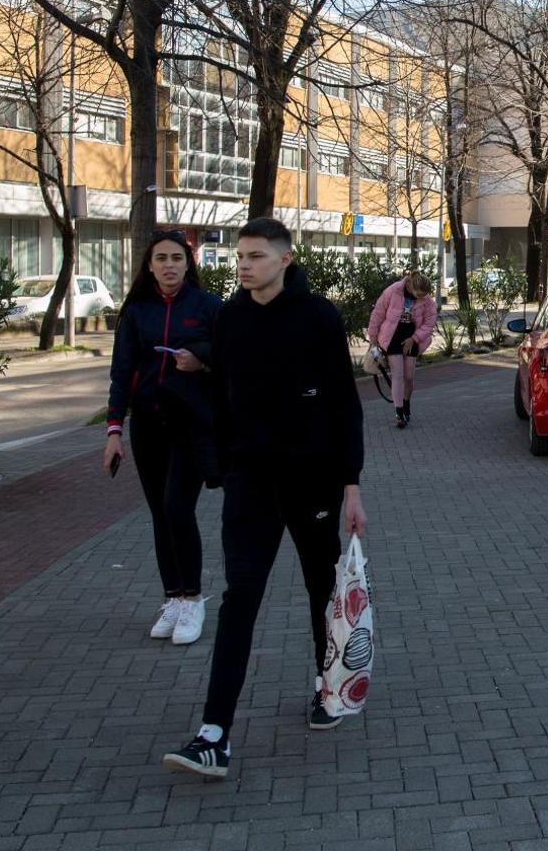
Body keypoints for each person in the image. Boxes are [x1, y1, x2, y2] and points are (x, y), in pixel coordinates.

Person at [163, 217, 367, 780]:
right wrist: (223, 465)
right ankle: (214, 735)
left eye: (255, 255)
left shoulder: (319, 317)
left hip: (312, 482)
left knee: (320, 591)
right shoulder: (231, 318)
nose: (244, 264)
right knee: (239, 600)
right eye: (240, 256)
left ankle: (328, 691)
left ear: (284, 258)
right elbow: (223, 395)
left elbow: (345, 406)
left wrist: (351, 484)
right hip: (249, 483)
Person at [104, 230, 222, 646]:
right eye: (161, 258)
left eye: (177, 257)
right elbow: (121, 373)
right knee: (159, 513)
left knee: (177, 506)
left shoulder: (208, 307)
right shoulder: (137, 311)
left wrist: (201, 360)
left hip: (190, 426)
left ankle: (193, 599)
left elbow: (231, 360)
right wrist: (114, 430)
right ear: (149, 265)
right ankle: (172, 597)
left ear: (189, 263)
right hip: (148, 427)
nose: (169, 265)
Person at [367, 271, 437, 429]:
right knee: (397, 375)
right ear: (411, 286)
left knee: (409, 377)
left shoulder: (427, 301)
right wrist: (373, 339)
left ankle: (406, 403)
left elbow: (429, 323)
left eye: (425, 294)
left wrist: (414, 339)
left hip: (412, 339)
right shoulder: (393, 291)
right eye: (419, 294)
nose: (422, 297)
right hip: (392, 337)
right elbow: (377, 314)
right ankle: (399, 413)